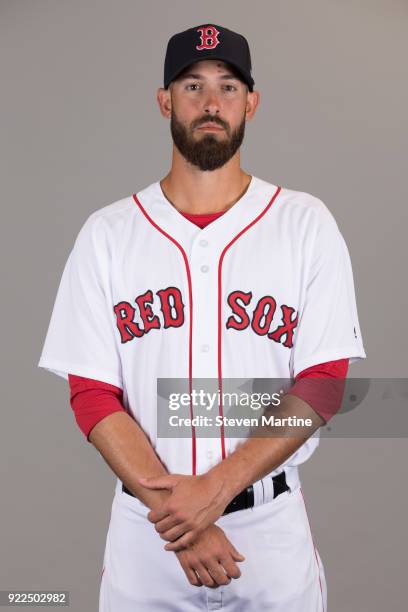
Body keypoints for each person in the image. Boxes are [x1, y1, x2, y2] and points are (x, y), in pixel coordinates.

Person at [38, 23, 366, 611]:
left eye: (228, 87)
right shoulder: (109, 234)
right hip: (149, 541)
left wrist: (211, 493)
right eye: (192, 85)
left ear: (252, 103)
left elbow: (321, 384)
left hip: (269, 537)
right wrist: (180, 519)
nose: (211, 103)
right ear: (164, 100)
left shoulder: (304, 223)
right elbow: (91, 394)